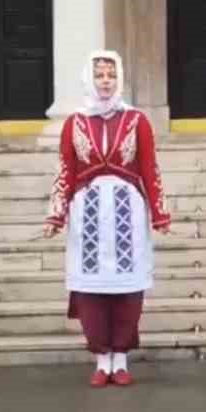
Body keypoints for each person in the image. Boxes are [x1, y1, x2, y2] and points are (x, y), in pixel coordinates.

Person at [43, 50, 171, 387]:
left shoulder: (137, 120)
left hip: (127, 211)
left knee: (128, 289)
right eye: (99, 76)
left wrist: (160, 213)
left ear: (120, 79)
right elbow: (65, 170)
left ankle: (121, 358)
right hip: (87, 214)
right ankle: (102, 359)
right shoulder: (75, 122)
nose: (105, 82)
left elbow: (149, 169)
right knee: (91, 290)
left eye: (111, 76)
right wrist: (56, 214)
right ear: (89, 78)